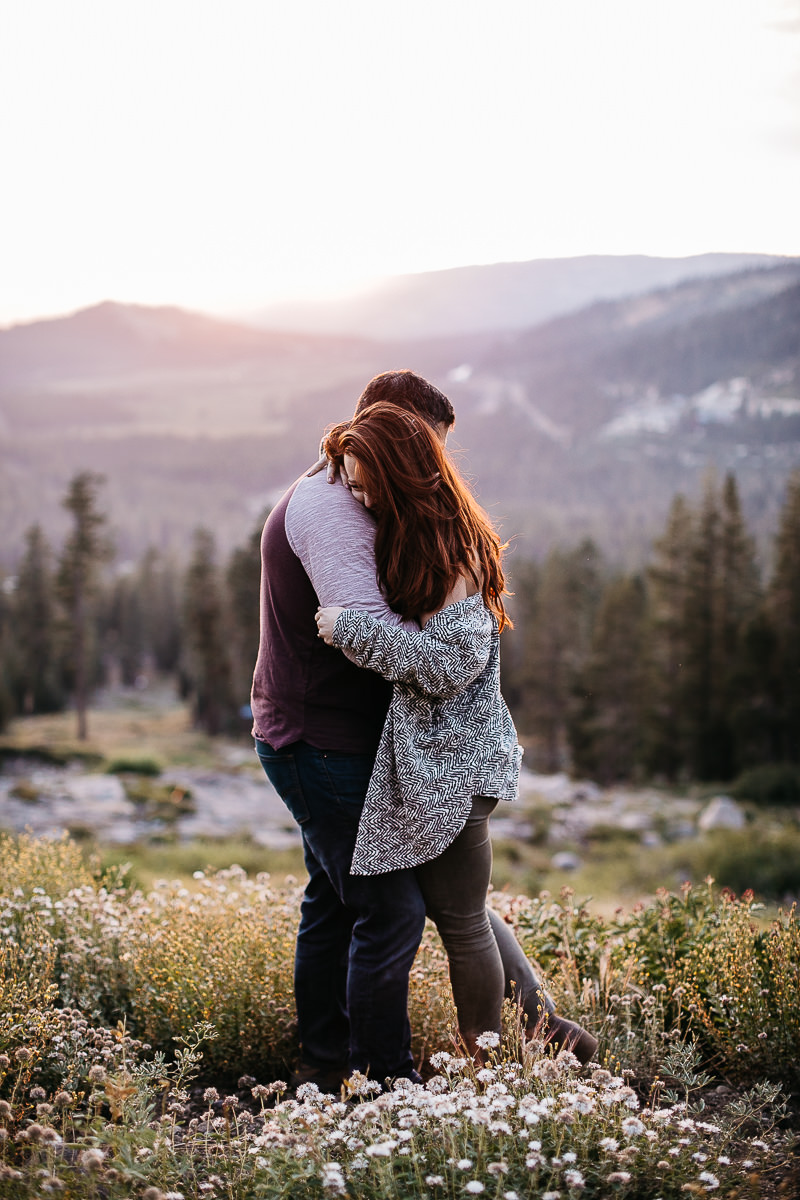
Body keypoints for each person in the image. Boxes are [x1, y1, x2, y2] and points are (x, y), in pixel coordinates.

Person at [315, 401, 597, 1063]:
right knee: (460, 910)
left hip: (457, 768)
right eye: (348, 486)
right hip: (443, 762)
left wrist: (352, 630)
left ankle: (490, 1063)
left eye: (364, 485)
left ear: (400, 473)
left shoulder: (455, 549)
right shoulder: (425, 530)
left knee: (465, 923)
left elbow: (444, 667)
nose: (357, 499)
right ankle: (549, 1034)